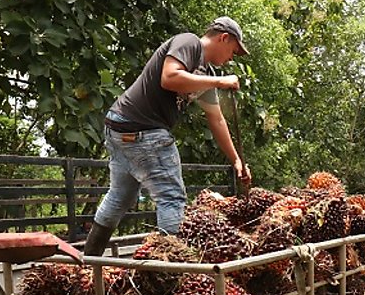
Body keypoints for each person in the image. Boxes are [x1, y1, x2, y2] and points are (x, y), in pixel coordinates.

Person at [83, 16, 252, 255]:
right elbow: (170, 77)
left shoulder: (204, 73)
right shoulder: (188, 42)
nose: (231, 58)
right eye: (233, 51)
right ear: (223, 38)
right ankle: (168, 277)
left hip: (120, 129)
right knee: (171, 197)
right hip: (143, 129)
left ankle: (89, 263)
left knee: (120, 197)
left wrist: (236, 160)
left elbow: (217, 119)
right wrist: (220, 82)